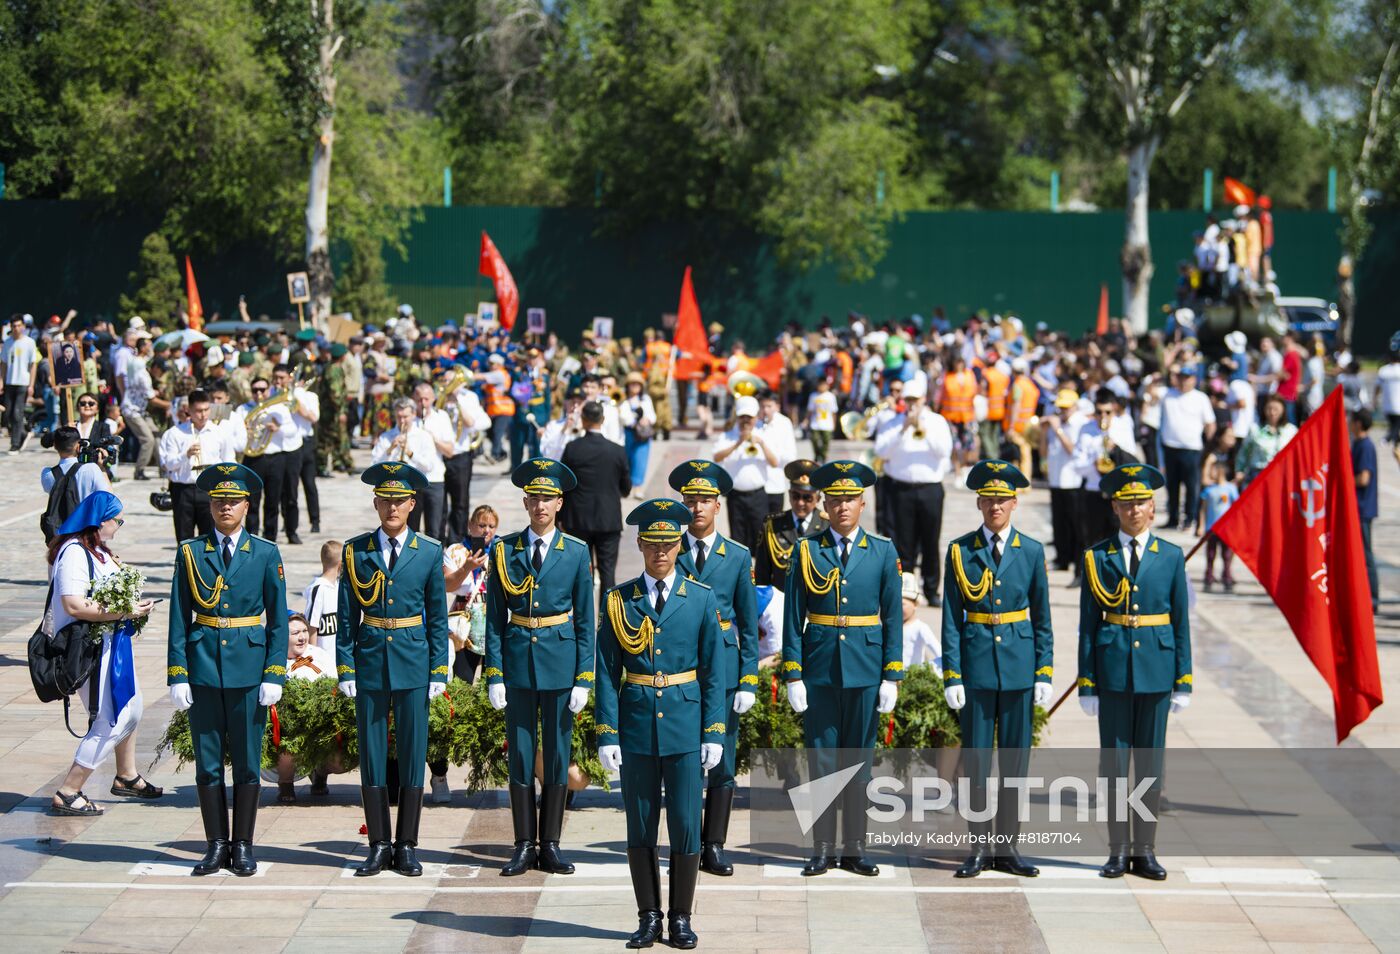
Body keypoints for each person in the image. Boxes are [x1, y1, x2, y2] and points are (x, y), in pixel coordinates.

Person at [594, 498, 726, 950]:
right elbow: (607, 671)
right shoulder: (619, 601)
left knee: (688, 825)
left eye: (669, 544)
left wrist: (714, 731)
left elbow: (713, 671)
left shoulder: (700, 599)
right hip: (636, 727)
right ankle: (649, 916)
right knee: (641, 825)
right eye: (652, 544)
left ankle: (682, 918)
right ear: (639, 543)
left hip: (686, 727)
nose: (661, 553)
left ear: (678, 546)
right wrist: (607, 732)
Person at [781, 460, 902, 878]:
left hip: (866, 668)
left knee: (860, 761)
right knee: (822, 759)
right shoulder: (806, 549)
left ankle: (855, 847)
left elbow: (892, 617)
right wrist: (793, 672)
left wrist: (892, 674)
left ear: (862, 503)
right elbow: (793, 615)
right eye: (835, 500)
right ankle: (822, 847)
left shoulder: (883, 551)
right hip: (819, 668)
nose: (842, 506)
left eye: (850, 499)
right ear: (824, 504)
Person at [167, 463, 289, 876]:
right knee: (208, 763)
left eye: (233, 501)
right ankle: (216, 844)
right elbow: (179, 619)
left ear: (246, 506)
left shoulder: (266, 553)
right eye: (218, 500)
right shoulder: (190, 552)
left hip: (249, 670)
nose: (225, 507)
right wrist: (177, 673)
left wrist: (275, 672)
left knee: (249, 762)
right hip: (203, 669)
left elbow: (277, 621)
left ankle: (243, 845)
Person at [1077, 464, 1192, 881]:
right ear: (1114, 507)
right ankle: (1117, 849)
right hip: (1112, 673)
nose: (1134, 509)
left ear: (1153, 507)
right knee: (1113, 766)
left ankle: (1144, 850)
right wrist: (1086, 681)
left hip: (1157, 672)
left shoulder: (1171, 556)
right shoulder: (1097, 557)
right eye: (1126, 503)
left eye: (1140, 502)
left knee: (1149, 767)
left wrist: (1184, 679)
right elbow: (1088, 624)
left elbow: (1180, 621)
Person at [336, 462, 451, 877]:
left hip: (413, 658)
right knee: (371, 753)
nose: (392, 507)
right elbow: (348, 617)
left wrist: (439, 668)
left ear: (412, 504)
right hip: (369, 658)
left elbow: (437, 616)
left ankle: (407, 844)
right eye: (385, 500)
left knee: (413, 752)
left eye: (399, 500)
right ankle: (379, 844)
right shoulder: (356, 551)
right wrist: (345, 666)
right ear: (375, 503)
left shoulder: (429, 551)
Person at [940, 460, 1052, 879]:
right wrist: (953, 675)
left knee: (1015, 764)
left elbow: (1042, 618)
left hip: (1020, 668)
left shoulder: (1032, 551)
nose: (996, 506)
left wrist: (1044, 671)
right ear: (979, 503)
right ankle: (978, 847)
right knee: (978, 764)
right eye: (989, 499)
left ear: (1014, 502)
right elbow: (952, 617)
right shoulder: (960, 550)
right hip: (977, 668)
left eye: (1003, 499)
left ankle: (1007, 848)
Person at [485, 458, 595, 877]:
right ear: (526, 501)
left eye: (549, 498)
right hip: (516, 663)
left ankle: (549, 843)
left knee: (555, 757)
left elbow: (585, 619)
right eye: (535, 498)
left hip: (560, 663)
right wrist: (494, 673)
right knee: (520, 756)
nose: (541, 505)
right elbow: (495, 617)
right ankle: (521, 844)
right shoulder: (505, 549)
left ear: (560, 503)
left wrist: (583, 676)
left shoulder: (576, 552)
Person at [668, 460, 759, 877]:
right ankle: (685, 845)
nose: (698, 507)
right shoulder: (669, 549)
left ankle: (715, 844)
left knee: (722, 762)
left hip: (722, 668)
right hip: (682, 668)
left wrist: (748, 678)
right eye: (691, 500)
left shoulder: (736, 556)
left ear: (718, 506)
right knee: (685, 761)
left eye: (705, 500)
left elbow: (748, 620)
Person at [46, 491, 160, 816]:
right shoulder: (73, 553)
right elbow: (74, 604)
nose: (118, 526)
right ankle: (70, 789)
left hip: (112, 643)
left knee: (132, 708)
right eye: (116, 520)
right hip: (89, 649)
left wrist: (131, 606)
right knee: (112, 720)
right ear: (99, 521)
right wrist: (125, 610)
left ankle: (125, 775)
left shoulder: (98, 551)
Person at [874, 376, 953, 607]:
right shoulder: (893, 422)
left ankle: (931, 589)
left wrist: (922, 429)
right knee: (903, 542)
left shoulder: (937, 422)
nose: (911, 405)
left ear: (923, 400)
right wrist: (903, 429)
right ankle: (906, 590)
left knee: (931, 540)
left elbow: (944, 451)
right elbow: (881, 452)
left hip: (930, 488)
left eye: (915, 400)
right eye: (908, 399)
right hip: (901, 488)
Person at [560, 400, 632, 595]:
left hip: (577, 519)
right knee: (608, 573)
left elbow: (563, 484)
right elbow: (626, 489)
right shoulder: (617, 450)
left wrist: (560, 518)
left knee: (581, 574)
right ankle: (606, 622)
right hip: (608, 519)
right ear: (603, 419)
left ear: (583, 420)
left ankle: (583, 622)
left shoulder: (573, 448)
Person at [158, 389, 236, 542]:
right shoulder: (174, 433)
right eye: (198, 411)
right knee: (183, 537)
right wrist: (185, 455)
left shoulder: (219, 432)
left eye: (206, 410)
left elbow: (229, 462)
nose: (203, 415)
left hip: (210, 489)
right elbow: (168, 464)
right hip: (183, 488)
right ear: (189, 410)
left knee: (210, 538)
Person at [277, 612, 337, 803]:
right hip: (288, 728)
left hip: (320, 724)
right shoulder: (274, 660)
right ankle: (285, 784)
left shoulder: (319, 655)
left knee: (341, 758)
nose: (302, 637)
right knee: (287, 747)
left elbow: (334, 685)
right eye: (295, 633)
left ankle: (320, 773)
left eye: (304, 631)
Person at [234, 377, 295, 543]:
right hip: (253, 459)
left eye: (263, 390)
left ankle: (270, 537)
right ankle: (252, 536)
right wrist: (243, 430)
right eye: (255, 390)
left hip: (275, 457)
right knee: (252, 501)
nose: (259, 393)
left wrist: (278, 428)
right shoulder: (242, 410)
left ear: (269, 391)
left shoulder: (278, 408)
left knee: (273, 500)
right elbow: (235, 434)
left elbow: (292, 430)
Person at [711, 395, 775, 551]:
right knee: (737, 539)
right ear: (737, 417)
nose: (746, 420)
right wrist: (738, 443)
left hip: (758, 495)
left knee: (761, 539)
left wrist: (762, 443)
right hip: (736, 496)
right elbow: (717, 457)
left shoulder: (763, 433)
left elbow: (774, 462)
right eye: (742, 417)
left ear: (755, 417)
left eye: (749, 417)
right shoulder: (728, 435)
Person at [372, 397, 443, 537]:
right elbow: (375, 464)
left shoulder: (423, 436)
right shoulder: (386, 437)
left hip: (423, 484)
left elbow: (429, 465)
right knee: (408, 529)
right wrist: (390, 449)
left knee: (433, 529)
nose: (402, 420)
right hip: (400, 488)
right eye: (399, 417)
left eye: (405, 416)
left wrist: (410, 453)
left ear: (413, 415)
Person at [753, 460, 828, 591]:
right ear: (789, 494)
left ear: (818, 499)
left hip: (816, 604)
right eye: (795, 496)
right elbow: (762, 572)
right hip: (782, 601)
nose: (800, 502)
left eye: (807, 498)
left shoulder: (827, 525)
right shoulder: (772, 525)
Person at [1158, 367, 1216, 531]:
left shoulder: (1200, 398)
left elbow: (1210, 423)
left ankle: (1190, 518)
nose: (1184, 380)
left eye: (1188, 377)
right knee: (1172, 485)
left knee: (1192, 486)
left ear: (1194, 379)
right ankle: (1173, 518)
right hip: (1171, 446)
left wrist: (1209, 448)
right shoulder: (1168, 395)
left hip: (1192, 448)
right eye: (1181, 377)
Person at [439, 371, 491, 541]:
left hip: (460, 454)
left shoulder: (469, 397)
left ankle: (457, 540)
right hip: (439, 455)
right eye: (445, 380)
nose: (448, 383)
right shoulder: (437, 395)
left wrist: (457, 402)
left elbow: (473, 423)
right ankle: (438, 539)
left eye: (451, 380)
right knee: (439, 502)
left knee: (460, 502)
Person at [1042, 389, 1084, 570]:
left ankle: (1075, 559)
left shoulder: (1078, 424)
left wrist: (1057, 429)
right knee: (1058, 523)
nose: (1063, 411)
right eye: (1060, 408)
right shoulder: (1055, 424)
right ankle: (1061, 558)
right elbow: (1043, 452)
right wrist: (1044, 432)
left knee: (1074, 524)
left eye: (1066, 408)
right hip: (1056, 479)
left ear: (1075, 407)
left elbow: (1072, 449)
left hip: (1072, 481)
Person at [409, 380, 456, 540]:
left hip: (434, 479)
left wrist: (433, 439)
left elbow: (450, 451)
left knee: (434, 529)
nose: (423, 403)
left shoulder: (441, 417)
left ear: (433, 399)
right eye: (419, 399)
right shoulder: (409, 419)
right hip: (413, 480)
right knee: (411, 528)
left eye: (426, 399)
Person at [283, 364, 322, 534]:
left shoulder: (311, 396)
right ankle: (288, 521)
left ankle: (315, 520)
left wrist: (298, 403)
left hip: (306, 442)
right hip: (290, 443)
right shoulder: (283, 396)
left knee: (309, 483)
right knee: (289, 486)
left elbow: (314, 417)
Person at [1235, 394, 1296, 486]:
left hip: (1282, 476)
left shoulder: (1291, 431)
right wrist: (1239, 471)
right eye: (1269, 408)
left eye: (1276, 409)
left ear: (1283, 410)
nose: (1272, 413)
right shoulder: (1255, 429)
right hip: (1257, 475)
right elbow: (1244, 452)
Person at [1351, 410, 1379, 615]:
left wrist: (1343, 482)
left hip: (1363, 508)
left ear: (1359, 424)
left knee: (1367, 556)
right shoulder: (1358, 444)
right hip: (1359, 507)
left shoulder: (1365, 446)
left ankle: (1373, 599)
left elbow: (1363, 478)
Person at [1198, 461, 1239, 592]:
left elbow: (1236, 507)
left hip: (1226, 528)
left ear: (1221, 472)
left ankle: (1227, 575)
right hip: (1211, 528)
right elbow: (1203, 509)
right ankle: (1209, 575)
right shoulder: (1209, 490)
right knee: (1210, 553)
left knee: (1226, 554)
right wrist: (1201, 525)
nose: (1211, 473)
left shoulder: (1230, 489)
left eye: (1213, 470)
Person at [757, 391, 797, 514]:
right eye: (762, 406)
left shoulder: (784, 423)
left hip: (775, 484)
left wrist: (772, 456)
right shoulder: (754, 422)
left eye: (769, 406)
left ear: (777, 407)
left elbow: (790, 456)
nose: (765, 410)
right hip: (756, 486)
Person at [3, 315, 40, 450]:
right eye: (14, 326)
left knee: (18, 413)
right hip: (9, 382)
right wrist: (1, 381)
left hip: (23, 382)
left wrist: (31, 384)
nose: (16, 329)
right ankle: (23, 434)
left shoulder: (29, 342)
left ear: (23, 326)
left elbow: (33, 365)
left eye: (19, 325)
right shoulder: (8, 342)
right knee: (7, 413)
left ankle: (15, 444)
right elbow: (4, 364)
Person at [620, 372, 657, 498]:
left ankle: (638, 488)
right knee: (626, 460)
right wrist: (633, 421)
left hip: (642, 434)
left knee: (640, 460)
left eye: (637, 384)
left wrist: (647, 420)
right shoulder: (623, 399)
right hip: (627, 432)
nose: (635, 386)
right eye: (632, 384)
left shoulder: (646, 399)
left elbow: (652, 415)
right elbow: (622, 416)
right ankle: (626, 486)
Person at [302, 540, 343, 655]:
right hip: (322, 657)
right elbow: (311, 626)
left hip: (336, 656)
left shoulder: (338, 586)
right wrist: (313, 656)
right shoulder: (318, 589)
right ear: (340, 564)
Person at [900, 573, 939, 668]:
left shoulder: (920, 628)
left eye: (903, 604)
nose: (899, 608)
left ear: (915, 604)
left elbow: (939, 651)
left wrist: (929, 670)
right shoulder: (890, 626)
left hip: (913, 679)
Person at [804, 377, 838, 463]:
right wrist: (806, 420)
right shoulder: (813, 396)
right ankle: (817, 455)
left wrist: (834, 424)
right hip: (815, 423)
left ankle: (823, 456)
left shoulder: (831, 396)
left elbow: (834, 411)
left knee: (826, 442)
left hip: (827, 424)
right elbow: (810, 410)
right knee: (814, 439)